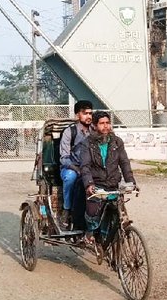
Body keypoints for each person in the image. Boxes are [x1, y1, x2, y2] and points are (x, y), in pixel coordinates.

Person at [80, 110, 137, 259]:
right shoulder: (87, 143)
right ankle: (89, 234)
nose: (105, 126)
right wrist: (89, 184)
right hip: (96, 184)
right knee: (93, 211)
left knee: (118, 213)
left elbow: (124, 162)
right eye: (102, 123)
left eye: (107, 123)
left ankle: (110, 243)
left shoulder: (117, 142)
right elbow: (85, 166)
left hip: (113, 184)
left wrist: (131, 181)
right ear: (94, 125)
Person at [59, 100, 93, 229]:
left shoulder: (95, 131)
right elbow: (64, 158)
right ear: (77, 115)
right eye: (85, 113)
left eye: (90, 113)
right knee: (71, 177)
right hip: (71, 167)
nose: (88, 116)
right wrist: (77, 169)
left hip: (89, 168)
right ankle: (67, 210)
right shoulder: (69, 132)